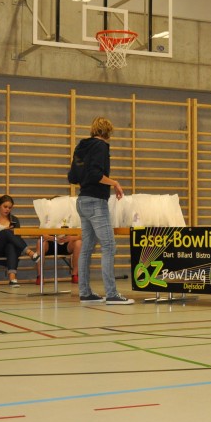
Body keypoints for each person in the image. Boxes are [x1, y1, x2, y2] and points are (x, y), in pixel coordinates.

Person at [71, 117, 133, 304]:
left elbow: (73, 176)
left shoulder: (82, 146)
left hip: (82, 200)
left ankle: (85, 292)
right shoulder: (101, 147)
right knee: (109, 246)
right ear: (107, 131)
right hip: (96, 201)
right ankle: (112, 294)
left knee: (87, 248)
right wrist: (114, 183)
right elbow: (96, 174)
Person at [0, 194, 39, 287]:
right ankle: (30, 252)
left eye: (10, 208)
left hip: (7, 251)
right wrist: (0, 234)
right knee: (6, 232)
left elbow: (17, 239)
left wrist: (2, 234)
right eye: (5, 206)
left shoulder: (14, 220)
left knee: (11, 245)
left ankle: (12, 279)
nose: (7, 209)